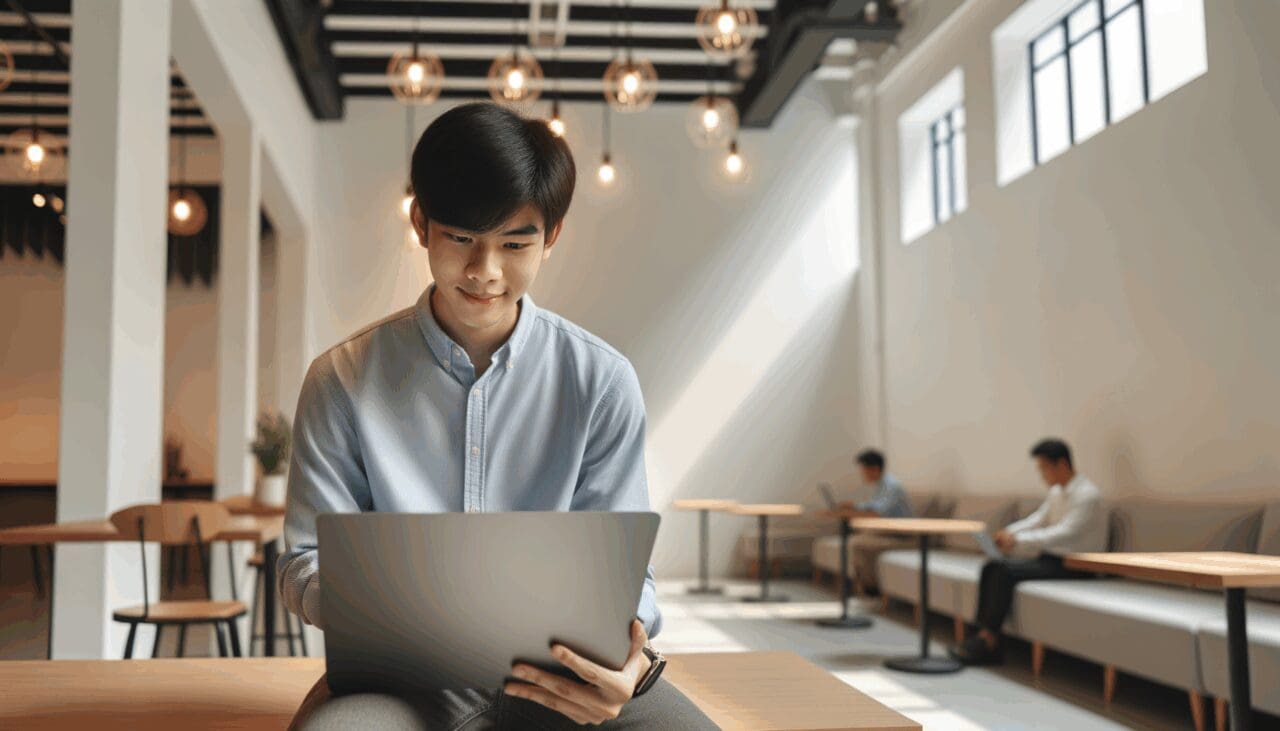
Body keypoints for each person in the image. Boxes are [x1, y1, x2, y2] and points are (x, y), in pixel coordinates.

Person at [278, 102, 716, 730]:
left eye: (515, 244)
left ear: (552, 236)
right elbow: (301, 561)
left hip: (562, 674)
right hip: (398, 680)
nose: (485, 272)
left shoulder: (601, 381)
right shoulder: (341, 380)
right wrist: (386, 609)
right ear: (421, 223)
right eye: (461, 239)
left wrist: (628, 645)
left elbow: (628, 574)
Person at [948, 438, 1106, 665]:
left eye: (1044, 468)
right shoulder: (1057, 493)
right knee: (991, 566)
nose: (1042, 475)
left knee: (1003, 571)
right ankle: (983, 636)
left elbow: (1064, 533)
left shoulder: (1087, 495)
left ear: (1061, 464)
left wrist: (1018, 541)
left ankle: (989, 642)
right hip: (1053, 559)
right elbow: (1037, 520)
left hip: (1077, 565)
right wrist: (1009, 532)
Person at [833, 449, 914, 594]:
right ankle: (865, 585)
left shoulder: (891, 486)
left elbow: (878, 511)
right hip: (887, 531)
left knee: (859, 543)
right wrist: (854, 507)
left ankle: (869, 588)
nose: (862, 474)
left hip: (901, 534)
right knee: (858, 541)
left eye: (864, 470)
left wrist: (854, 509)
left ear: (875, 469)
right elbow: (873, 506)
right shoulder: (881, 485)